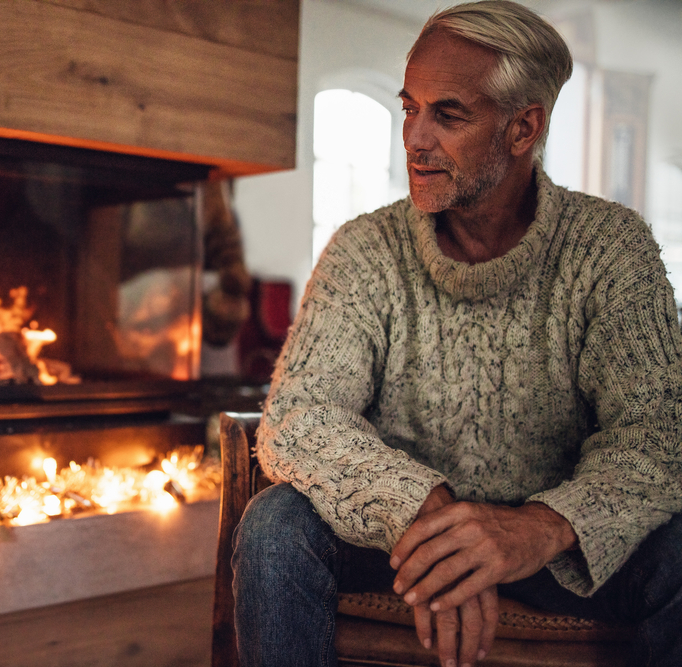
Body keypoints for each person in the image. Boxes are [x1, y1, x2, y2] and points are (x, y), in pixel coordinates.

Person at [231, 2, 682, 666]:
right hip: (397, 542)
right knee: (274, 527)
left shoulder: (610, 248)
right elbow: (299, 417)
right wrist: (424, 512)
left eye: (447, 115)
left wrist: (538, 527)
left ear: (522, 128)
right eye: (409, 107)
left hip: (556, 554)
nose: (413, 138)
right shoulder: (364, 249)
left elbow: (657, 434)